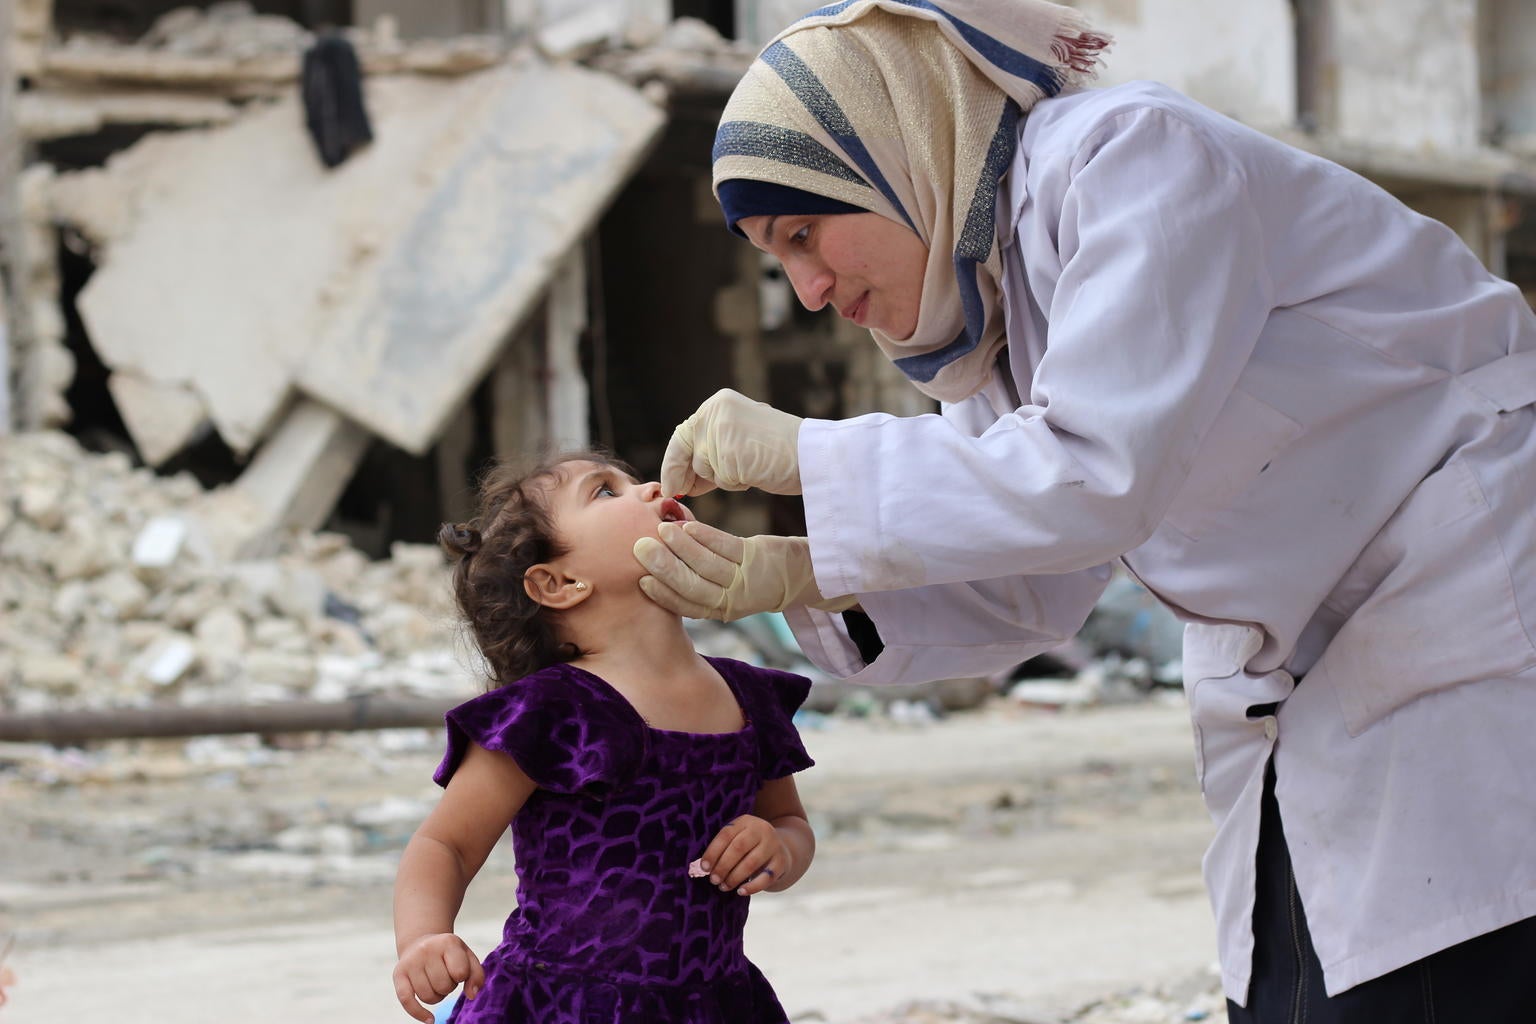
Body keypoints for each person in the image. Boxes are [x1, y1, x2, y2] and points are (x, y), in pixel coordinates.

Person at [631, 0, 1536, 1020]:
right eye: (774, 258)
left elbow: (1097, 470)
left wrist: (806, 456)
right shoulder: (988, 320)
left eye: (806, 231)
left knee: (1435, 969)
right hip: (1304, 663)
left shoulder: (1133, 161)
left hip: (1461, 597)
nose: (805, 287)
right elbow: (1030, 580)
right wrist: (799, 572)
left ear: (890, 152)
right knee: (1302, 979)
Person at [392, 451, 817, 1024]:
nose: (646, 487)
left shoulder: (747, 700)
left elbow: (791, 824)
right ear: (559, 582)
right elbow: (445, 845)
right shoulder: (550, 712)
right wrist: (424, 937)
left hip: (714, 1003)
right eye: (605, 492)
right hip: (559, 1006)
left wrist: (778, 849)